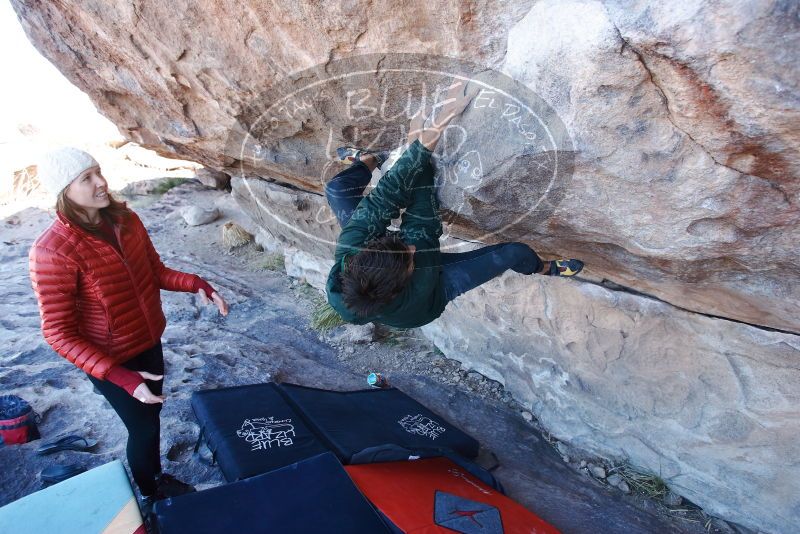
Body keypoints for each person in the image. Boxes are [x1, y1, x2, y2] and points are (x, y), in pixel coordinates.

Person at [28, 147, 229, 513]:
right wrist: (121, 377)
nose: (101, 182)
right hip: (109, 360)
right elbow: (57, 332)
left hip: (147, 340)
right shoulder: (52, 251)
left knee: (152, 418)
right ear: (64, 190)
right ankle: (151, 493)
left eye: (99, 172)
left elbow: (154, 272)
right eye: (86, 178)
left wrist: (196, 282)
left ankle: (156, 478)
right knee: (143, 429)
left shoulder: (125, 219)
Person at [325, 81, 584, 328]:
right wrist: (420, 140)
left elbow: (388, 193)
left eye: (406, 249)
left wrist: (435, 126)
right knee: (514, 253)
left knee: (337, 189)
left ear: (362, 252)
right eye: (410, 258)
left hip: (386, 271)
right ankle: (543, 268)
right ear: (406, 278)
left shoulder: (347, 257)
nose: (413, 249)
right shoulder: (422, 277)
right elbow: (421, 208)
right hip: (432, 295)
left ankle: (369, 160)